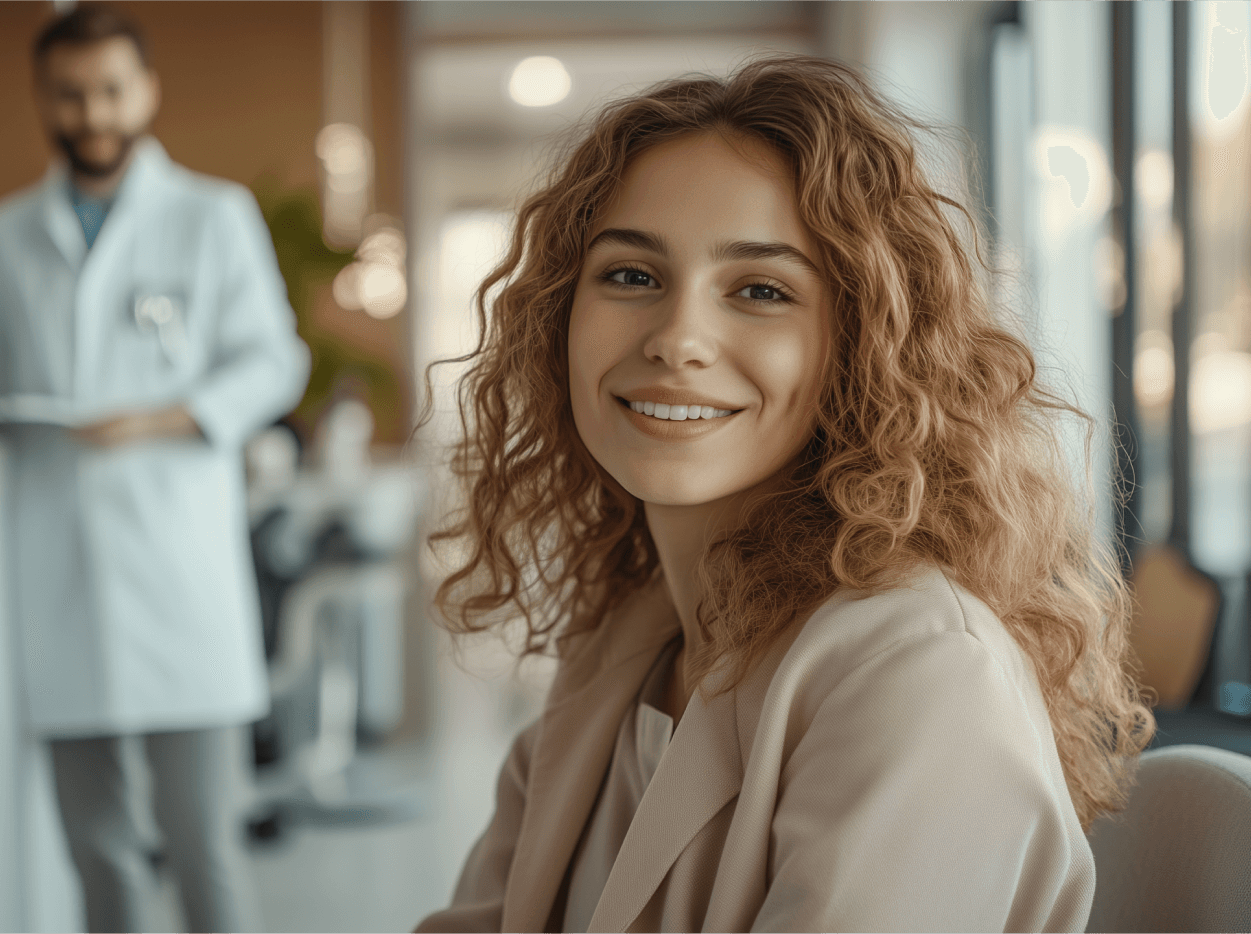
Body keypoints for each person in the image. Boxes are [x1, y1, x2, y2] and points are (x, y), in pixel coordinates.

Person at [416, 55, 1152, 933]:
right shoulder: (628, 638)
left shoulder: (916, 674)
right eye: (631, 275)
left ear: (862, 349)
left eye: (760, 290)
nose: (678, 338)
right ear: (555, 321)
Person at [0, 5, 308, 932]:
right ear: (42, 100)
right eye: (69, 94)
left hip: (177, 569)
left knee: (202, 845)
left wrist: (161, 419)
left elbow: (273, 361)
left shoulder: (211, 216)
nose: (91, 112)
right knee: (95, 853)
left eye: (109, 90)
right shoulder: (3, 234)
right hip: (52, 572)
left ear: (144, 92)